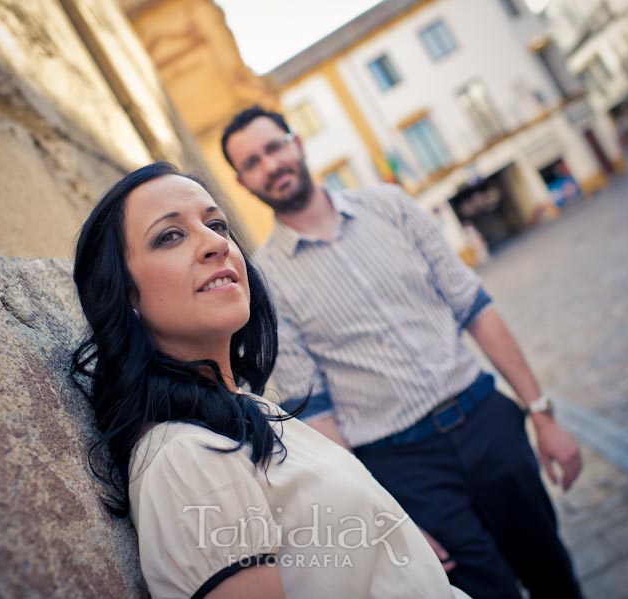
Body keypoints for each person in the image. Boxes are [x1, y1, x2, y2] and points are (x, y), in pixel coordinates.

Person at [221, 106, 584, 599]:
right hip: (407, 467)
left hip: (487, 422)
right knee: (485, 593)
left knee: (554, 575)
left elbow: (473, 306)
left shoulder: (390, 206)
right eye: (252, 162)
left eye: (274, 147)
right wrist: (389, 514)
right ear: (243, 181)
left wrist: (542, 414)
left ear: (297, 143)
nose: (270, 165)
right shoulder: (266, 280)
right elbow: (319, 413)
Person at [70, 162, 471, 598]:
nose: (214, 244)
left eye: (216, 224)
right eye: (170, 236)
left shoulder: (249, 408)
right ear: (126, 294)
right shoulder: (185, 461)